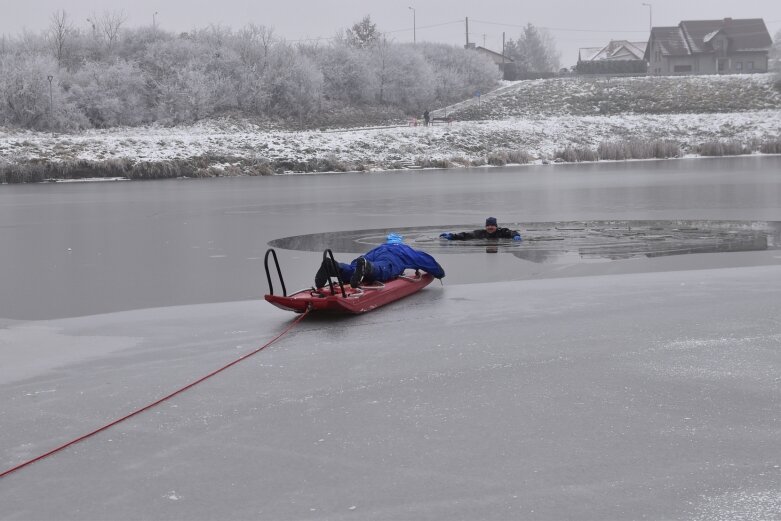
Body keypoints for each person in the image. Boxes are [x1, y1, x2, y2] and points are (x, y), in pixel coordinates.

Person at [315, 233, 445, 289]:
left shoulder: (381, 247)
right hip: (391, 259)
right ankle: (367, 267)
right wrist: (439, 273)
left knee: (354, 269)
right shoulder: (405, 250)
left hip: (372, 255)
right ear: (400, 242)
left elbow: (361, 259)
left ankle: (334, 266)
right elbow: (427, 261)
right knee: (383, 268)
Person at [439, 217, 522, 241]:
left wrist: (516, 236)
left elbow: (512, 232)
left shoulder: (502, 232)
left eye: (492, 225)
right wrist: (452, 236)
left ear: (496, 226)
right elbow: (465, 235)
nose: (490, 227)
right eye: (488, 225)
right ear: (485, 226)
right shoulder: (480, 233)